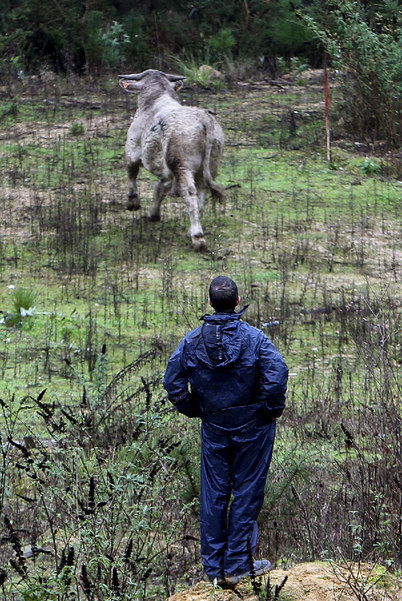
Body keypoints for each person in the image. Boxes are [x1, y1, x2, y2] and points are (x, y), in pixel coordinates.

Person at [163, 276, 288, 586]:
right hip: (254, 428)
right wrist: (270, 411)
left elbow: (173, 383)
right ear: (237, 301)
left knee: (214, 494)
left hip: (215, 427)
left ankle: (215, 568)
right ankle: (237, 564)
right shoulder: (255, 339)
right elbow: (277, 374)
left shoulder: (191, 341)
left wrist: (196, 409)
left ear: (210, 304)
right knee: (247, 491)